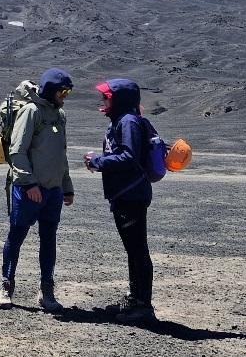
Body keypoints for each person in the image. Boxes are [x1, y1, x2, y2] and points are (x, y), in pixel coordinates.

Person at [0, 68, 75, 312]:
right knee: (16, 237)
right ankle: (6, 286)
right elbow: (17, 151)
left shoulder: (60, 114)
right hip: (28, 189)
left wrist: (67, 186)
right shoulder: (31, 112)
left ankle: (46, 289)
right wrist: (29, 184)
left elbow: (61, 154)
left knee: (49, 240)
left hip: (52, 191)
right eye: (63, 92)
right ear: (52, 90)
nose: (65, 96)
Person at [83, 78, 156, 323]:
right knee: (133, 249)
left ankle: (143, 306)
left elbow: (129, 157)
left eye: (107, 97)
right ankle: (135, 299)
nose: (103, 101)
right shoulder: (124, 120)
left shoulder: (128, 122)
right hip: (126, 194)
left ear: (119, 99)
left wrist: (97, 163)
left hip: (131, 195)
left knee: (137, 250)